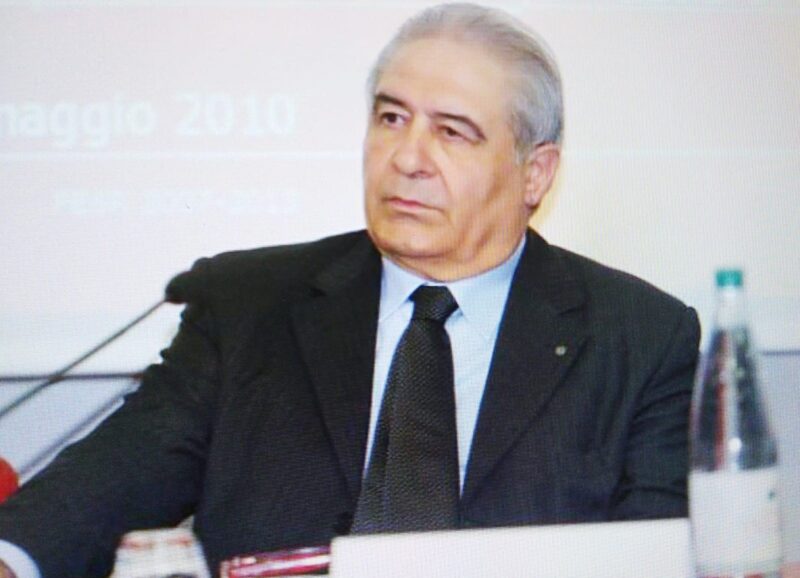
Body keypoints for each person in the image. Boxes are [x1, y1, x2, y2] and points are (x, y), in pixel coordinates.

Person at [0, 3, 700, 577]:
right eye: (391, 118)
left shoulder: (639, 338)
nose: (407, 158)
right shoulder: (248, 306)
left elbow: (659, 554)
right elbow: (107, 483)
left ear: (535, 173)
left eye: (452, 132)